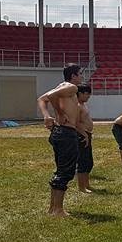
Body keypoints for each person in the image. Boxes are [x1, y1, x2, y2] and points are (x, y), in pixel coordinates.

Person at [37, 63, 83, 217]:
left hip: (58, 132)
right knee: (66, 171)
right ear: (73, 76)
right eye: (80, 74)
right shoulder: (72, 88)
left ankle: (53, 208)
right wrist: (59, 112)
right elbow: (50, 97)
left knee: (60, 170)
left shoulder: (61, 87)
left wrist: (46, 115)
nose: (81, 77)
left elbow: (42, 99)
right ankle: (58, 210)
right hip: (66, 133)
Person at [75, 84, 94, 194]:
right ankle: (81, 187)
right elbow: (76, 123)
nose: (88, 96)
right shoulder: (77, 106)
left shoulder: (83, 104)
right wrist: (84, 134)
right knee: (82, 161)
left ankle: (87, 184)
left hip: (87, 134)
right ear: (80, 93)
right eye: (87, 94)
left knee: (88, 161)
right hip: (82, 135)